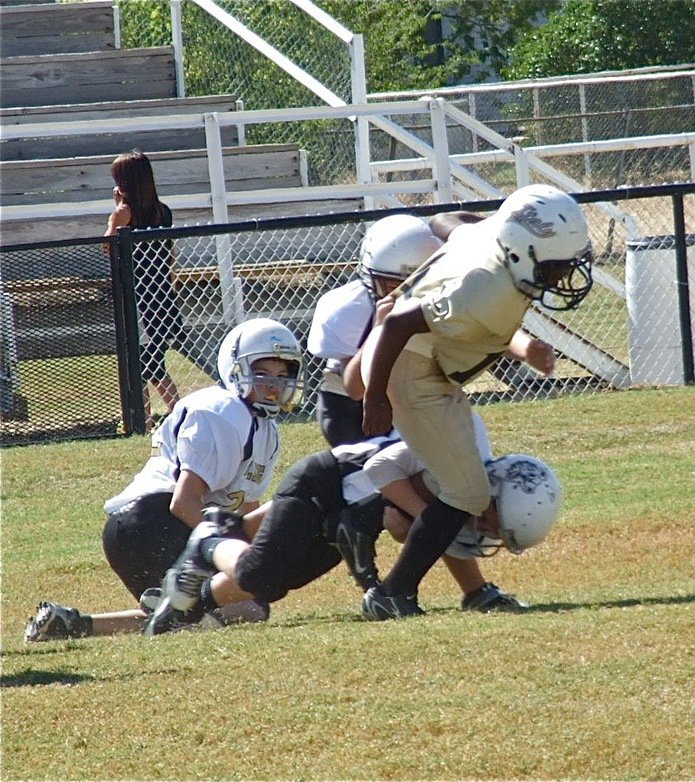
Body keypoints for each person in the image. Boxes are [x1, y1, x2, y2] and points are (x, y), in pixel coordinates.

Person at [358, 183, 593, 619]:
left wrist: (482, 225)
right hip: (409, 369)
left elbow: (442, 222)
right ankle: (393, 592)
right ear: (522, 250)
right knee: (466, 491)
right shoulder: (485, 286)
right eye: (557, 267)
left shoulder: (494, 242)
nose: (563, 277)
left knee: (461, 483)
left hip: (426, 365)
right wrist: (376, 398)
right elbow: (397, 327)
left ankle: (418, 580)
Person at [24, 318, 304, 642]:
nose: (274, 384)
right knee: (242, 605)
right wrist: (227, 553)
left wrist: (259, 550)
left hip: (149, 524)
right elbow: (184, 502)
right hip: (149, 521)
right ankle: (175, 612)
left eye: (283, 375)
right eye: (263, 373)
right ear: (236, 369)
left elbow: (243, 507)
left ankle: (74, 624)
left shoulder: (264, 430)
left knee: (219, 607)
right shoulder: (221, 412)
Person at [144, 427, 562, 634]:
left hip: (350, 509)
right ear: (494, 489)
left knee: (270, 586)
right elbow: (382, 471)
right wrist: (417, 517)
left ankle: (185, 605)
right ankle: (208, 541)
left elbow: (442, 532)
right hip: (324, 484)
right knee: (259, 575)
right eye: (490, 519)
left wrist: (476, 592)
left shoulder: (471, 482)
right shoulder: (456, 453)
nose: (483, 529)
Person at [308, 214, 445, 447]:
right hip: (352, 410)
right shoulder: (350, 309)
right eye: (394, 287)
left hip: (409, 397)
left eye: (416, 285)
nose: (403, 295)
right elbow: (355, 389)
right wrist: (381, 329)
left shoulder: (441, 301)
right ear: (372, 278)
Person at [105, 150, 183, 429]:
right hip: (161, 294)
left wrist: (114, 218)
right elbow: (168, 254)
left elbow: (108, 248)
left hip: (141, 299)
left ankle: (164, 417)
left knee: (148, 365)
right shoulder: (163, 211)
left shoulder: (125, 214)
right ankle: (146, 421)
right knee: (147, 364)